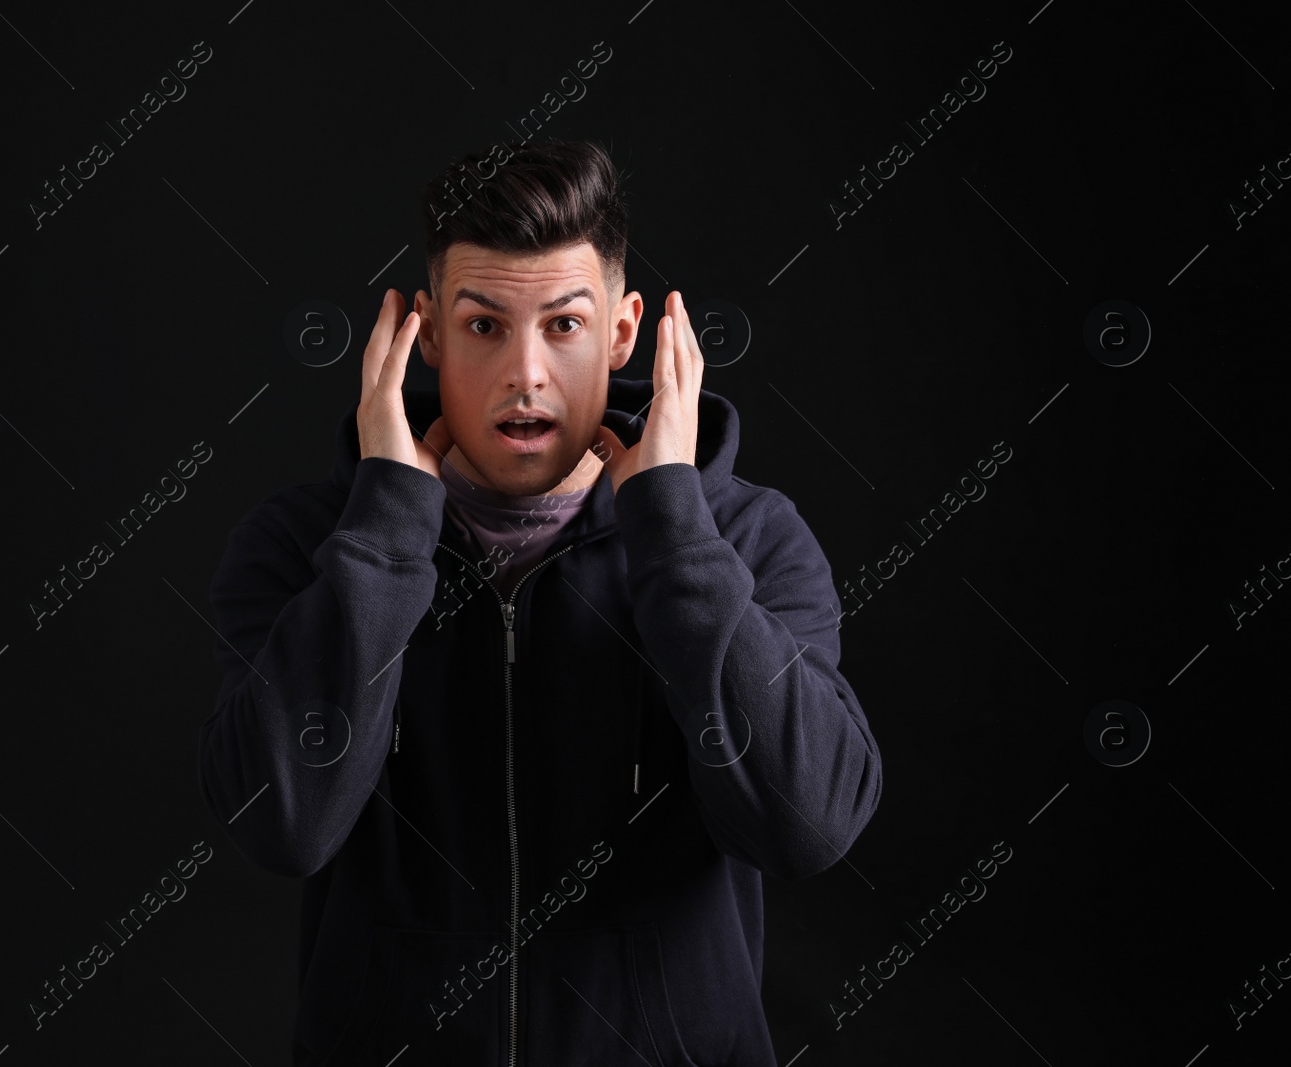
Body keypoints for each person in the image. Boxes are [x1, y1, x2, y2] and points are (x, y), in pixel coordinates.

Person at [198, 139, 882, 1066]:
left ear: (625, 332)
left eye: (563, 325)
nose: (525, 374)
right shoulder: (304, 544)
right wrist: (389, 530)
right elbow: (282, 823)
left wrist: (674, 533)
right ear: (427, 335)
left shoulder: (748, 538)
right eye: (485, 327)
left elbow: (808, 824)